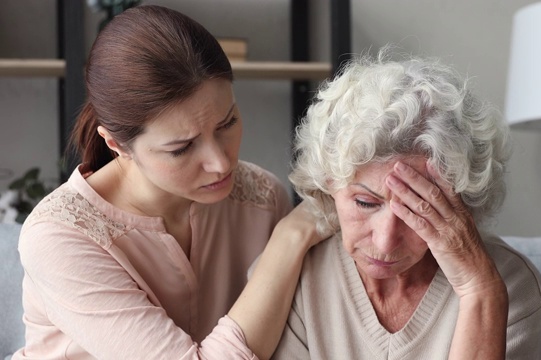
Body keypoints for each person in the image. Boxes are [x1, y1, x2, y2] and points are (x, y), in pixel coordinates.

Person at [13, 5, 325, 360]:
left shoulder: (262, 197)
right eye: (182, 148)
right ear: (116, 144)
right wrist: (288, 239)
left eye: (227, 122)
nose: (221, 163)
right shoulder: (59, 236)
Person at [272, 50, 541, 359]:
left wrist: (480, 292)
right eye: (365, 203)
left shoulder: (510, 284)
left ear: (462, 201)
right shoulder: (296, 276)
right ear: (328, 182)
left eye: (417, 209)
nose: (386, 241)